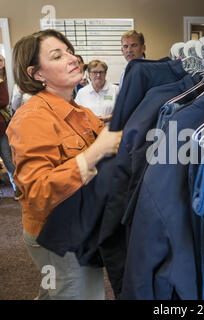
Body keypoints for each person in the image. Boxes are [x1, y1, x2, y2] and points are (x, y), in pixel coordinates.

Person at [7, 29, 122, 300]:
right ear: (37, 74)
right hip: (55, 234)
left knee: (55, 291)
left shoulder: (80, 113)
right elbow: (38, 191)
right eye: (57, 56)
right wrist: (95, 154)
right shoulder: (32, 117)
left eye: (69, 51)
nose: (72, 59)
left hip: (78, 225)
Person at [0, 54, 22, 200]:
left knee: (8, 159)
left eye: (0, 60)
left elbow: (4, 100)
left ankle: (18, 188)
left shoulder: (6, 80)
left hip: (2, 127)